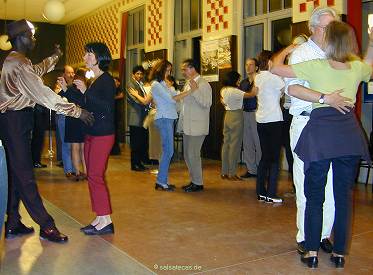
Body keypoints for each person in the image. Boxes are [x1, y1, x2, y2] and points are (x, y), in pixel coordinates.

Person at [271, 20, 372, 268]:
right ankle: (339, 254)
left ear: (328, 40)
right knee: (342, 197)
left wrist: (288, 49)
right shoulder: (355, 67)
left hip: (320, 136)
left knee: (314, 196)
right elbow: (370, 64)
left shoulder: (316, 65)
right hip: (348, 136)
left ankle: (312, 252)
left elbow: (276, 70)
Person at [0, 19, 93, 243]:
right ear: (21, 38)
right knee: (24, 175)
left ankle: (12, 222)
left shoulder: (19, 62)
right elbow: (44, 94)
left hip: (15, 121)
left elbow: (36, 71)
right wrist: (76, 111)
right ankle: (46, 225)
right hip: (14, 121)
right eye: (31, 36)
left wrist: (55, 57)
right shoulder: (18, 63)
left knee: (16, 173)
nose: (34, 39)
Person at [283, 7, 339, 256]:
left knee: (330, 185)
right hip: (307, 122)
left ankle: (324, 233)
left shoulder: (337, 52)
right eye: (327, 27)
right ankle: (306, 237)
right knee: (306, 183)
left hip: (331, 124)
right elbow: (293, 89)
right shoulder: (301, 54)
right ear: (313, 28)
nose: (331, 32)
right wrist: (325, 98)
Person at [62, 42, 116, 235]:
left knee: (95, 175)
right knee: (92, 175)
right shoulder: (96, 80)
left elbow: (106, 107)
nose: (85, 57)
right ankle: (101, 218)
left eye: (88, 54)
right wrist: (69, 90)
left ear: (99, 57)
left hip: (103, 134)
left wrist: (85, 91)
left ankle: (106, 221)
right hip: (92, 132)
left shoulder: (107, 80)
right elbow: (86, 103)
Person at [129, 60, 195, 191]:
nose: (169, 73)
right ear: (161, 70)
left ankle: (162, 180)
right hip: (164, 118)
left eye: (170, 70)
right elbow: (171, 99)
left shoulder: (164, 84)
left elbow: (175, 95)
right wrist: (190, 91)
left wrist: (187, 89)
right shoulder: (156, 84)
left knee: (167, 151)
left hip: (168, 118)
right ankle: (161, 182)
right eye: (167, 70)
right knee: (168, 151)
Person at [255, 51, 284, 203]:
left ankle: (261, 192)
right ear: (270, 61)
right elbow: (285, 89)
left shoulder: (258, 77)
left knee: (265, 157)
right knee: (274, 159)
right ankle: (271, 194)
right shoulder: (274, 78)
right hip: (274, 120)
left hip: (261, 120)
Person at [179, 59, 212, 192]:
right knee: (187, 154)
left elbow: (207, 103)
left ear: (193, 69)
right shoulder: (188, 83)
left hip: (198, 127)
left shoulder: (203, 84)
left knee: (193, 154)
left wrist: (195, 90)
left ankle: (198, 183)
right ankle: (193, 180)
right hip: (187, 125)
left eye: (184, 69)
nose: (183, 72)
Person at [220, 71, 256, 180]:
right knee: (235, 146)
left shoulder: (223, 90)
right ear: (234, 80)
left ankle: (224, 172)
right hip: (237, 116)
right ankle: (232, 173)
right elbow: (252, 94)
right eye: (238, 79)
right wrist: (256, 82)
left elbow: (222, 101)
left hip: (227, 116)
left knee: (226, 144)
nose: (239, 82)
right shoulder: (236, 91)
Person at [63, 68, 87, 180]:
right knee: (79, 147)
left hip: (77, 119)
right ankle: (81, 172)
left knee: (78, 147)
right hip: (77, 118)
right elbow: (84, 102)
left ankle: (79, 172)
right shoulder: (84, 88)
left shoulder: (71, 88)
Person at [240, 58, 261, 179]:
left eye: (251, 65)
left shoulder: (260, 80)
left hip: (257, 113)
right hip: (245, 112)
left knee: (258, 142)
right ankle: (251, 169)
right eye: (246, 65)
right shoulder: (243, 82)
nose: (248, 67)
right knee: (247, 142)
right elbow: (241, 97)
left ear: (257, 67)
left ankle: (260, 168)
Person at [56, 65, 77, 180]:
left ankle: (75, 168)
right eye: (69, 73)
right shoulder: (59, 86)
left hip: (74, 117)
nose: (71, 75)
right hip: (63, 117)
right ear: (64, 74)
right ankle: (68, 169)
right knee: (66, 144)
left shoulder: (75, 86)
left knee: (74, 144)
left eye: (73, 72)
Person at [126, 65, 149, 171]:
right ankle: (134, 164)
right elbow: (135, 99)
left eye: (141, 74)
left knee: (140, 141)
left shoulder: (140, 84)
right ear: (133, 74)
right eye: (137, 74)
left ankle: (139, 162)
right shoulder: (130, 84)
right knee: (135, 143)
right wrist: (146, 101)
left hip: (142, 116)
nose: (139, 76)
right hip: (135, 117)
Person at [31, 104, 48, 168]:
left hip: (39, 113)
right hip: (38, 113)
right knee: (38, 139)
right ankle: (35, 161)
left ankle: (36, 161)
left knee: (38, 139)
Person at [111, 77, 124, 155]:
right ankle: (112, 149)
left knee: (116, 132)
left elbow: (121, 96)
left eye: (116, 81)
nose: (115, 83)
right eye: (114, 81)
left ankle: (116, 149)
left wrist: (115, 97)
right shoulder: (110, 90)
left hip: (117, 113)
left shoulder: (119, 90)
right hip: (112, 113)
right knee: (113, 132)